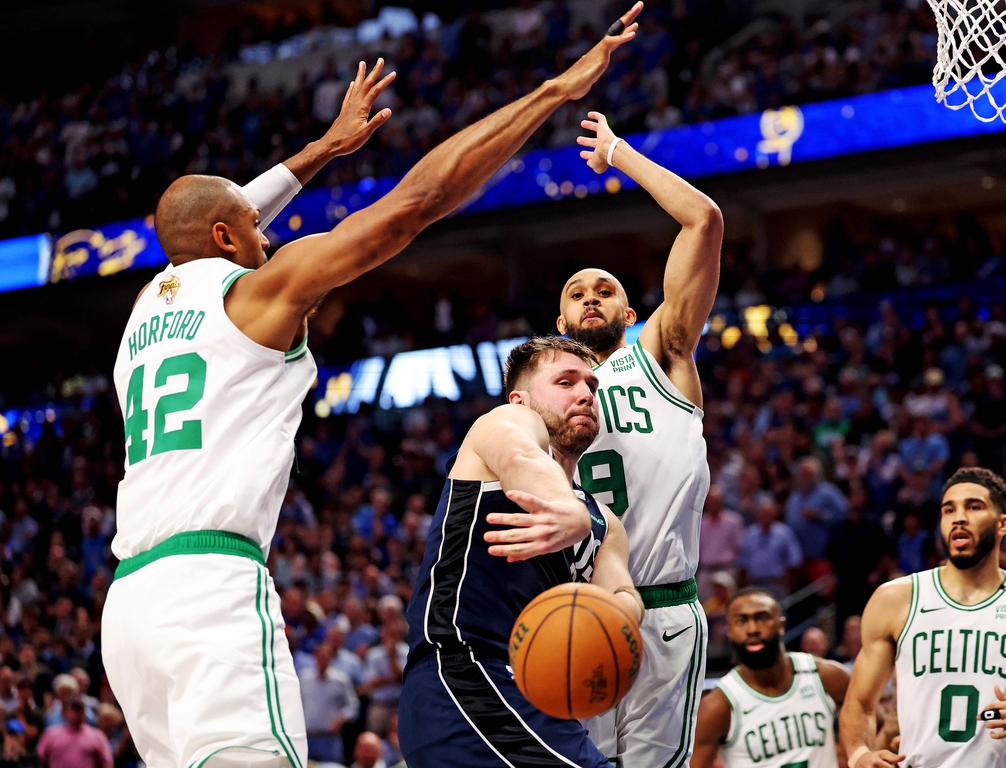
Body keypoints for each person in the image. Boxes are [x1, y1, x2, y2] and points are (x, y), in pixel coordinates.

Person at [102, 9, 645, 768]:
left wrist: (321, 151)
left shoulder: (145, 310)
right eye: (258, 233)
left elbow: (202, 221)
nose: (272, 239)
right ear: (231, 242)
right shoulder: (260, 293)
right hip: (209, 592)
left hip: (128, 608)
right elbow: (418, 200)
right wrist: (552, 93)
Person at [560, 102, 723, 765]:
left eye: (604, 290)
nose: (591, 297)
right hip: (576, 613)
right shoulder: (537, 392)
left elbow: (703, 220)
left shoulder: (661, 352)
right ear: (561, 317)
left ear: (631, 312)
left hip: (662, 607)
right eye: (576, 292)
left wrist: (619, 154)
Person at [397, 336, 644, 767]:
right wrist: (566, 508)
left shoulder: (605, 522)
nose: (585, 393)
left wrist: (617, 612)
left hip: (538, 691)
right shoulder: (502, 423)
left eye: (591, 385)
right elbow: (519, 459)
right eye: (566, 382)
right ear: (522, 399)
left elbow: (624, 594)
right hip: (464, 672)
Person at [841, 467, 1006, 768]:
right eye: (949, 510)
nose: (959, 517)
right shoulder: (895, 599)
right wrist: (859, 754)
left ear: (1003, 523)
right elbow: (858, 703)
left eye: (974, 507)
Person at [690, 588, 850, 768]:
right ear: (730, 632)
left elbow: (873, 718)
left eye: (762, 618)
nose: (752, 629)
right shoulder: (717, 706)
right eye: (741, 621)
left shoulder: (825, 675)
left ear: (782, 625)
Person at [37, 700, 112, 768]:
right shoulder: (51, 734)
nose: (78, 714)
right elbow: (38, 758)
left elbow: (107, 763)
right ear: (65, 713)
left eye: (80, 710)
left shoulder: (97, 736)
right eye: (75, 710)